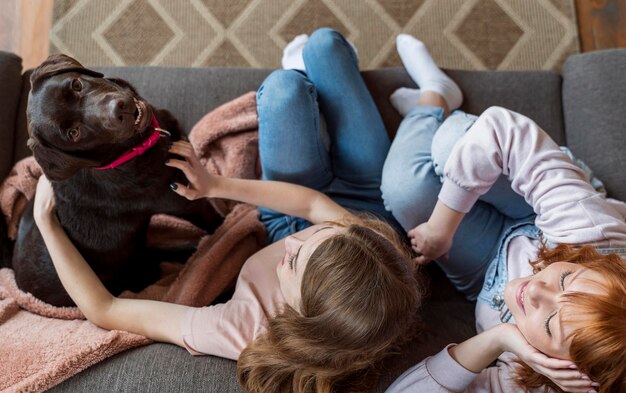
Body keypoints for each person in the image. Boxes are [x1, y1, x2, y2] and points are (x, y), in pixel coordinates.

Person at [32, 28, 422, 393]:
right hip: (369, 199)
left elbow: (106, 308)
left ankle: (302, 85)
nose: (289, 247)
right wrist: (216, 186)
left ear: (301, 313)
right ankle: (319, 77)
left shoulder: (243, 328)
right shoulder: (371, 260)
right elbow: (314, 204)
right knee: (325, 44)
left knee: (282, 90)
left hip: (282, 219)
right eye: (315, 241)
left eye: (292, 263)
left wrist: (46, 223)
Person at [380, 34, 626, 392]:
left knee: (405, 191)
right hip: (542, 219)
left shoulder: (534, 381)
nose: (538, 289)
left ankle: (430, 102)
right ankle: (435, 109)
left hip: (487, 273)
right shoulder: (589, 235)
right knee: (452, 146)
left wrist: (500, 340)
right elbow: (501, 128)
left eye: (549, 324)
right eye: (563, 281)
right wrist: (441, 227)